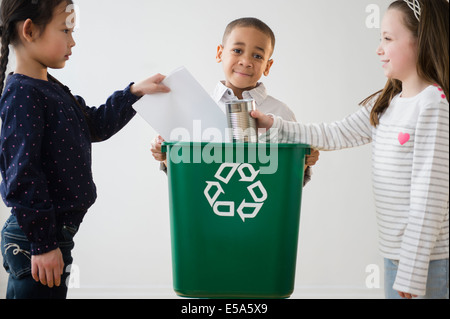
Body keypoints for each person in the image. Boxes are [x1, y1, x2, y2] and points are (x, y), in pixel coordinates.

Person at [252, 0, 449, 299]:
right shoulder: (388, 103)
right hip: (396, 253)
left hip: (428, 260)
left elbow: (430, 195)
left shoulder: (432, 104)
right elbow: (335, 133)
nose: (378, 48)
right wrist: (275, 125)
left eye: (387, 38)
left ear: (421, 41)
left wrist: (412, 268)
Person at [0, 0, 169, 299]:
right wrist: (43, 244)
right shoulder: (24, 94)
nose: (72, 41)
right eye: (65, 30)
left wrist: (133, 93)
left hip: (51, 234)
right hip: (37, 239)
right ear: (29, 30)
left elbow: (94, 124)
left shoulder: (48, 88)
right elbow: (21, 174)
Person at [151, 17, 320, 180]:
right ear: (220, 53)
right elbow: (186, 178)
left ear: (268, 66)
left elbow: (289, 181)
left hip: (261, 206)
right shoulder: (196, 110)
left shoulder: (281, 113)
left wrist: (305, 160)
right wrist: (165, 155)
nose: (246, 61)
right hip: (206, 205)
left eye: (258, 56)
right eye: (237, 51)